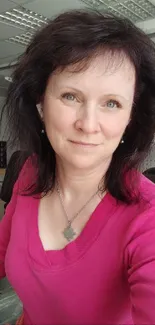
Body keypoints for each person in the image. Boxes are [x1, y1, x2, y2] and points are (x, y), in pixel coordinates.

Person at [0, 9, 155, 325]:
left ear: (130, 118)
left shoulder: (148, 217)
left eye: (112, 103)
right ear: (41, 104)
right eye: (70, 96)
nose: (88, 124)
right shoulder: (29, 172)